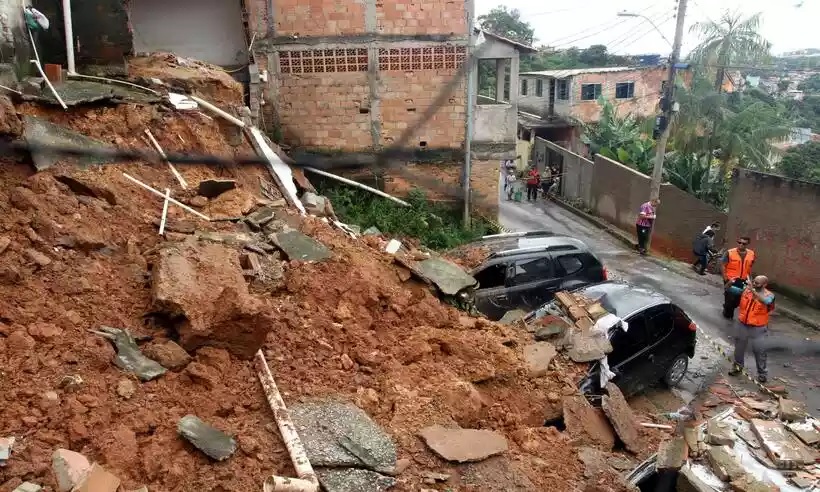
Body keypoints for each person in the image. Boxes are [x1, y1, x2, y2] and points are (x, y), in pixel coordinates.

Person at [729, 275, 775, 383]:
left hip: (758, 328)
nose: (754, 284)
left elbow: (766, 302)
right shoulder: (747, 291)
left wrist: (752, 290)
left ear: (764, 285)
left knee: (759, 351)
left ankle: (762, 374)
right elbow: (731, 290)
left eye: (757, 283)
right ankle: (737, 368)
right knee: (739, 349)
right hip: (743, 324)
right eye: (753, 281)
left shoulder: (770, 295)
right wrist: (729, 283)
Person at [720, 236, 756, 319]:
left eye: (744, 243)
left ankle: (728, 306)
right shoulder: (730, 252)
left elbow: (749, 267)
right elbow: (723, 265)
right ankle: (728, 312)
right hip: (731, 279)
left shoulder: (751, 254)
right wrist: (725, 278)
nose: (741, 245)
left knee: (737, 300)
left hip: (743, 280)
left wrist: (750, 279)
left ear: (747, 244)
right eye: (739, 242)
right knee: (730, 298)